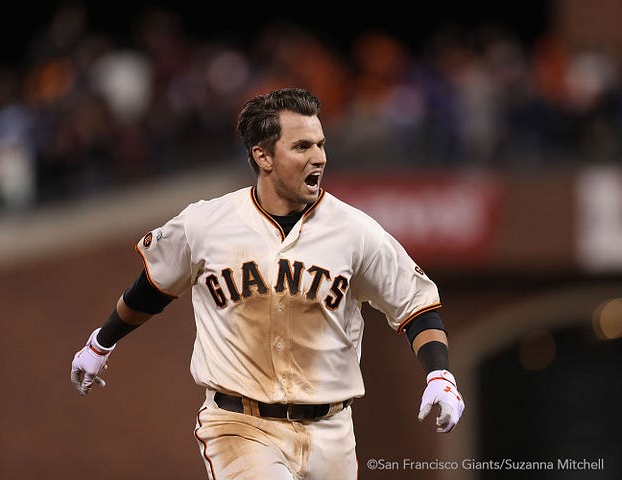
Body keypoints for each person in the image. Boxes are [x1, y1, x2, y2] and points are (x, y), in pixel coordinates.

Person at [71, 87, 465, 479]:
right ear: (263, 156)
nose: (319, 157)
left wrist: (439, 374)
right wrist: (101, 341)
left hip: (332, 432)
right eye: (302, 146)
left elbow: (417, 307)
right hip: (239, 425)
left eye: (321, 144)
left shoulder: (356, 231)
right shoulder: (205, 224)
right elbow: (153, 288)